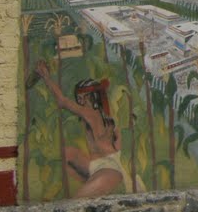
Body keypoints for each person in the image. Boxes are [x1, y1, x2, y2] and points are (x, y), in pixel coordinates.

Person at [34, 60, 131, 197]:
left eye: (82, 98)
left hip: (109, 168)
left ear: (92, 97)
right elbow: (117, 146)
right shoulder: (106, 117)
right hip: (97, 166)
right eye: (78, 98)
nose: (80, 102)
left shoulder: (91, 113)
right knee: (67, 153)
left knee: (76, 200)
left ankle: (95, 182)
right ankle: (91, 181)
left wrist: (46, 77)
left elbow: (62, 101)